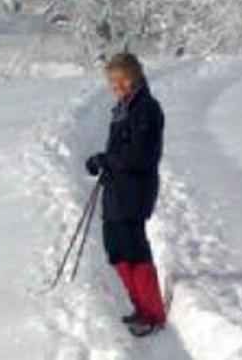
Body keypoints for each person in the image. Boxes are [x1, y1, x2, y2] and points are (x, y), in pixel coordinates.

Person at [86, 53, 166, 337]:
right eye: (113, 82)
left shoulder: (146, 109)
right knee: (116, 247)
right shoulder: (124, 107)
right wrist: (103, 161)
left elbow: (141, 156)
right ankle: (140, 306)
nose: (117, 86)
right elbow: (121, 151)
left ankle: (153, 312)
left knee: (133, 250)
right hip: (119, 190)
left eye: (123, 80)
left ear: (135, 77)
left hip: (136, 191)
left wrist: (107, 161)